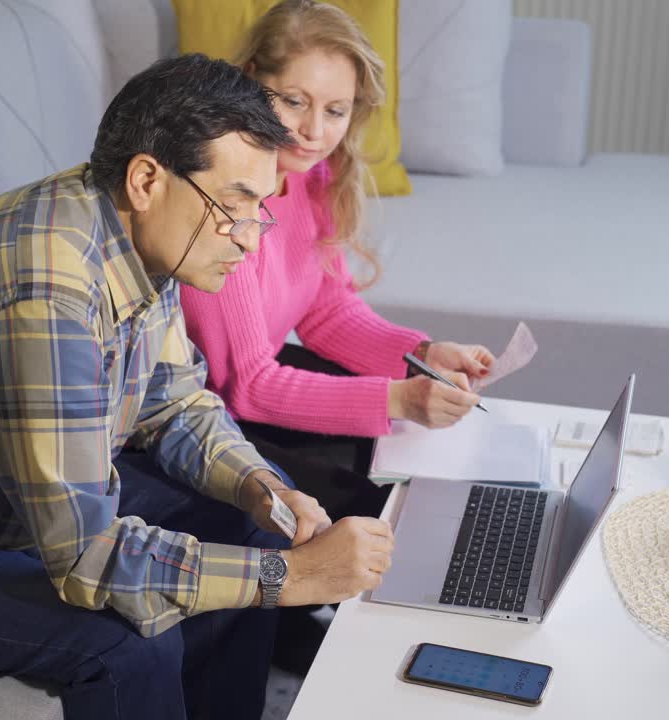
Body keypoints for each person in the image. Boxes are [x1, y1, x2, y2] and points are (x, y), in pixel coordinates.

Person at [0, 54, 393, 720]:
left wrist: (264, 487)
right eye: (233, 209)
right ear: (146, 179)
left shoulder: (133, 227)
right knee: (128, 643)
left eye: (259, 211)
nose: (249, 242)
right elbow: (86, 558)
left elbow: (175, 403)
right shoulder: (45, 294)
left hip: (10, 506)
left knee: (245, 518)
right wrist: (291, 580)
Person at [181, 0, 496, 524]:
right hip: (202, 418)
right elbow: (248, 386)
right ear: (251, 81)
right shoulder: (221, 201)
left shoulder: (310, 176)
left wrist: (421, 353)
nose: (313, 131)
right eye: (293, 101)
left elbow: (327, 311)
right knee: (376, 496)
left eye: (335, 110)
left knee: (398, 461)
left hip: (253, 385)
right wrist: (399, 397)